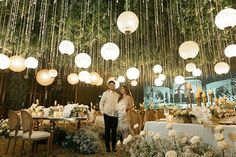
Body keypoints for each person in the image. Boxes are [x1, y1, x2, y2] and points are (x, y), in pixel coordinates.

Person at [99, 80, 119, 152]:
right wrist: (102, 111)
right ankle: (107, 146)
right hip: (107, 114)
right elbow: (101, 103)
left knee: (114, 131)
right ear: (108, 86)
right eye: (110, 85)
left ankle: (114, 147)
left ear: (115, 86)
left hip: (115, 115)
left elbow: (118, 105)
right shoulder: (105, 93)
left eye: (113, 85)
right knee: (107, 131)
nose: (112, 86)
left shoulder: (117, 95)